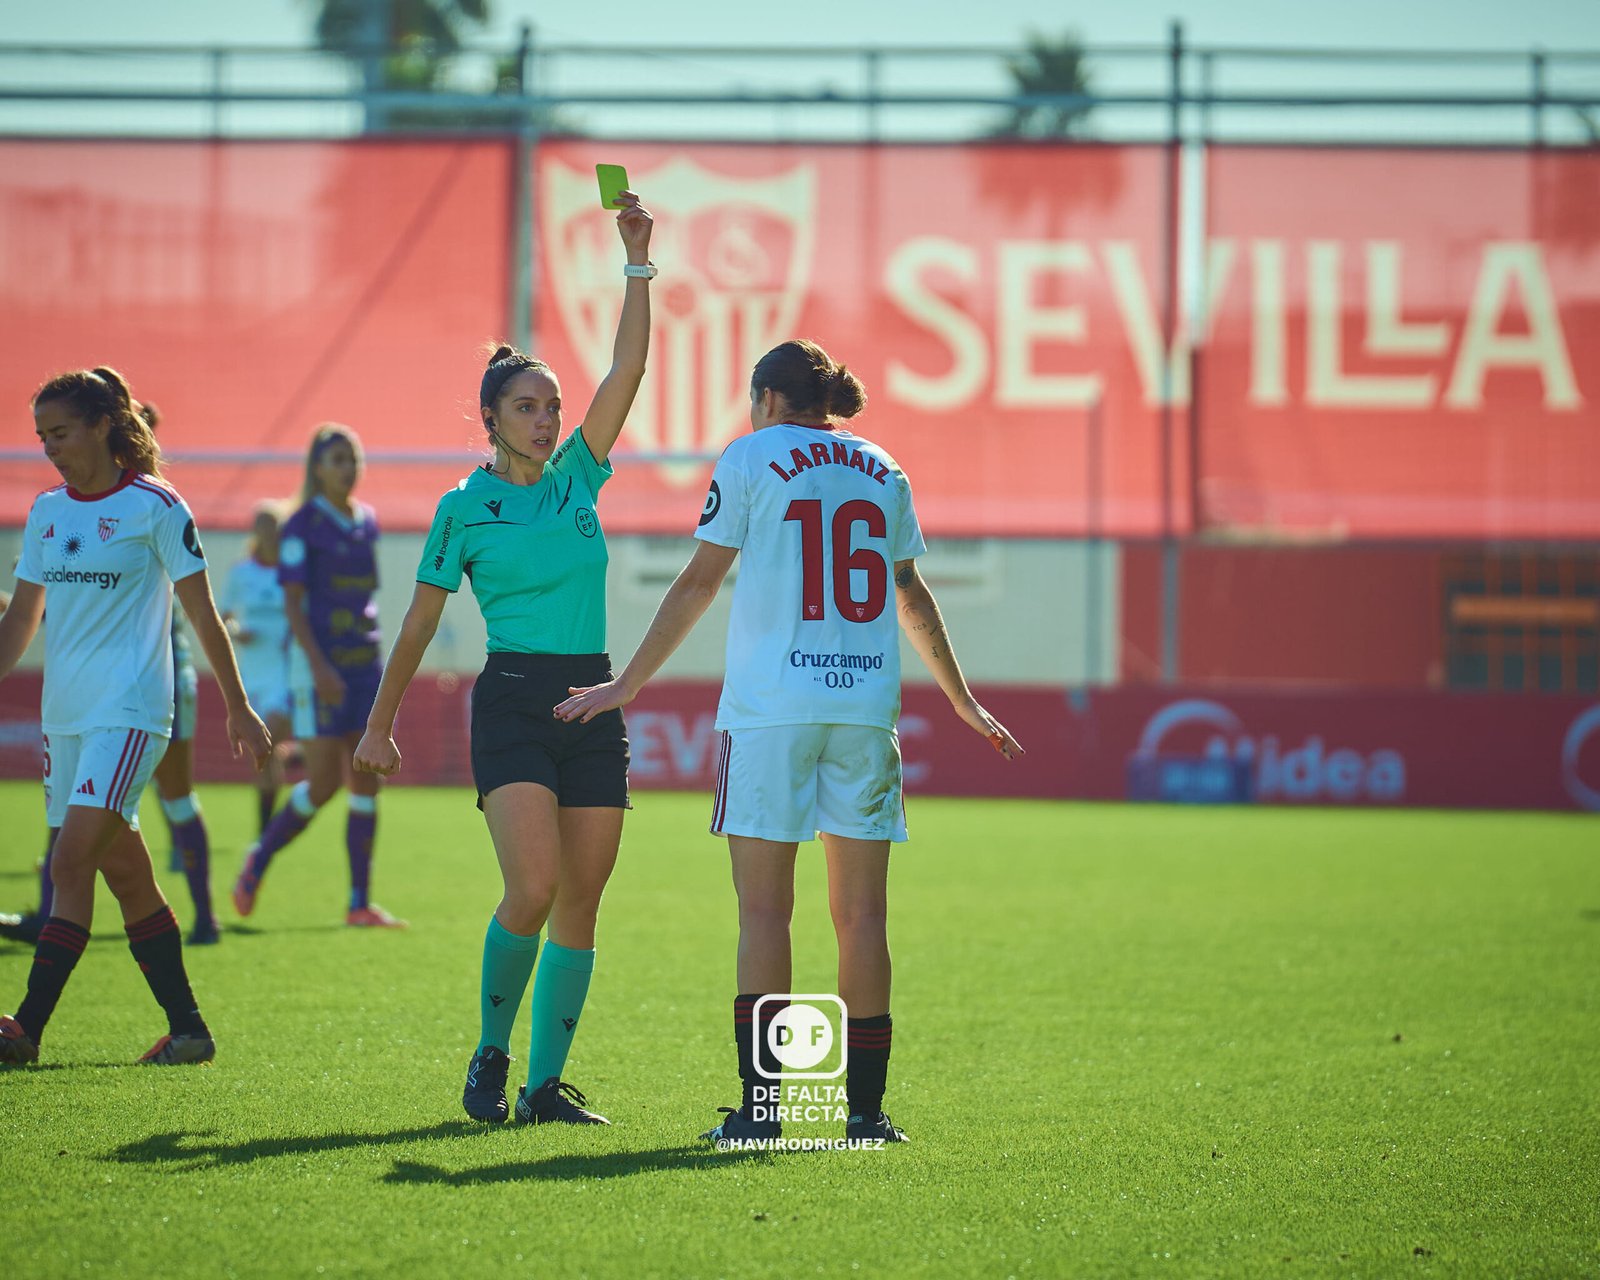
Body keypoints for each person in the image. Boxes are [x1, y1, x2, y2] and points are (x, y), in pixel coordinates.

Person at [554, 338, 1024, 1144]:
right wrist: (962, 698)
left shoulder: (750, 457)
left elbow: (700, 580)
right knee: (863, 918)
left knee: (766, 912)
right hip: (864, 713)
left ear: (769, 399)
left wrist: (627, 683)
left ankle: (766, 1114)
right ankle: (866, 1115)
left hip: (772, 712)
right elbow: (910, 593)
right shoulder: (884, 467)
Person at [352, 188, 655, 1126]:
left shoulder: (578, 477)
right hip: (517, 699)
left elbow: (629, 366)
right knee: (532, 887)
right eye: (527, 406)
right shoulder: (462, 507)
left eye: (552, 406)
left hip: (594, 698)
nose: (546, 418)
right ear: (490, 416)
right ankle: (489, 1055)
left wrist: (637, 260)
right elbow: (413, 623)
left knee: (583, 902)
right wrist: (378, 724)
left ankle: (545, 1085)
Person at [0, 366, 271, 1067]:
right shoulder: (47, 512)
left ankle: (24, 1029)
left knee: (69, 859)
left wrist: (238, 706)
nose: (51, 447)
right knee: (125, 874)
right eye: (41, 436)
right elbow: (22, 619)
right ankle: (189, 1032)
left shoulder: (156, 505)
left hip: (132, 712)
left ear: (100, 425)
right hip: (68, 718)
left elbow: (201, 611)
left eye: (61, 432)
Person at [232, 424, 403, 928]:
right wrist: (321, 666)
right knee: (325, 781)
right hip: (318, 669)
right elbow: (293, 604)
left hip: (363, 664)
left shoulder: (365, 521)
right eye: (337, 460)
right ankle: (259, 857)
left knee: (368, 777)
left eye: (353, 459)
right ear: (317, 469)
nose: (347, 469)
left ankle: (358, 902)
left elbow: (364, 595)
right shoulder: (302, 526)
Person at [218, 503, 294, 837]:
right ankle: (266, 830)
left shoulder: (293, 572)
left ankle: (298, 756)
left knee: (268, 741)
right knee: (262, 754)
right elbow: (224, 615)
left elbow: (306, 613)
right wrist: (237, 631)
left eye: (274, 525)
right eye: (262, 524)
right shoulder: (241, 573)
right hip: (252, 674)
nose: (268, 531)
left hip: (286, 674)